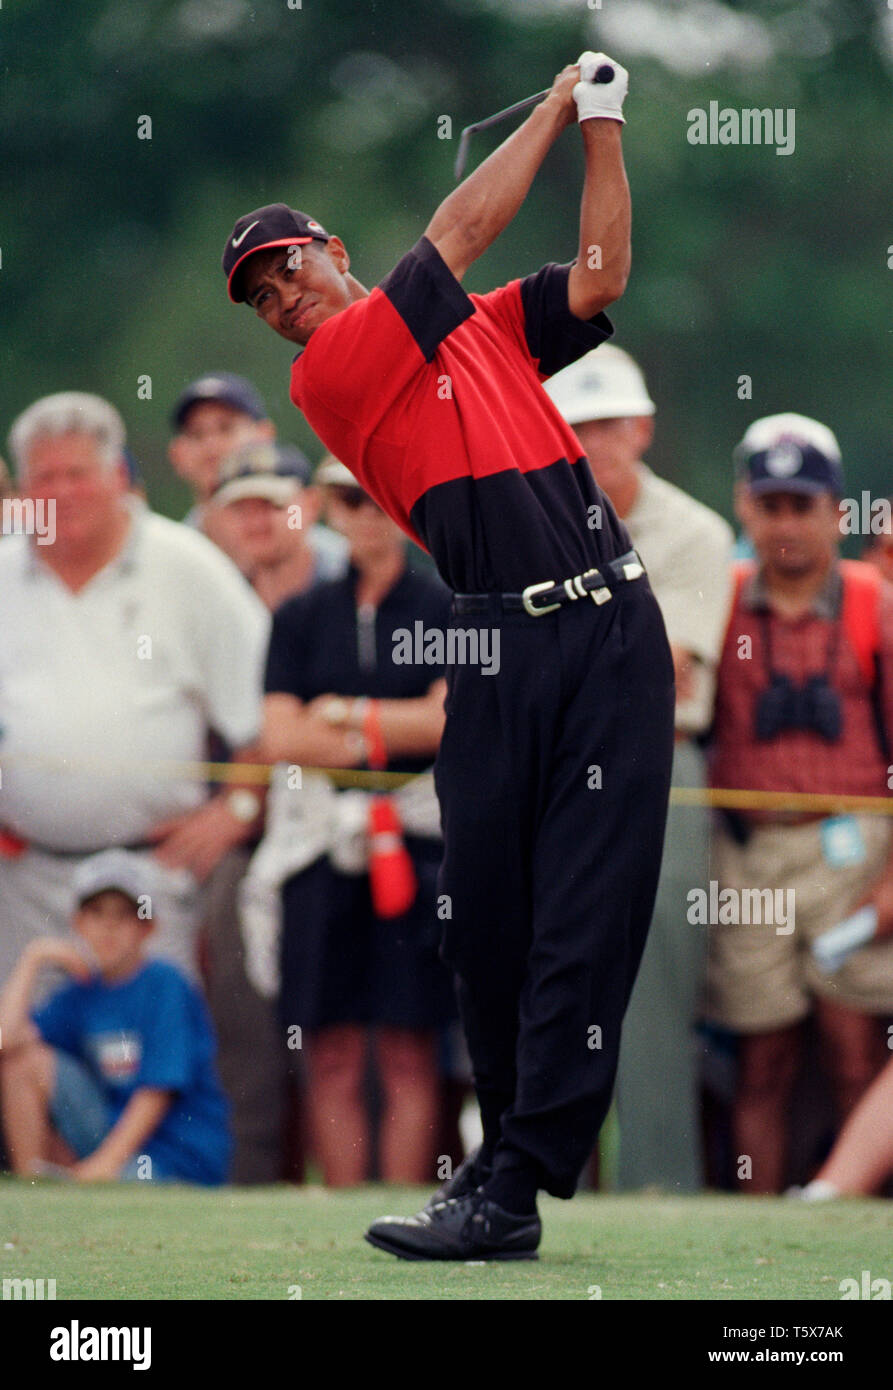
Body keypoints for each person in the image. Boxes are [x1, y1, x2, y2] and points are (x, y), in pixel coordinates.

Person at [223, 51, 675, 1259]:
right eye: (260, 298)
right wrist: (551, 103)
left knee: (581, 917)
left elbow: (601, 275)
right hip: (495, 638)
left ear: (329, 251)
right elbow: (460, 225)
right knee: (480, 920)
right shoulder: (332, 371)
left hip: (610, 629)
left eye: (286, 271)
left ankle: (511, 1184)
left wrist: (602, 129)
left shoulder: (473, 331)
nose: (280, 301)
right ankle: (503, 1162)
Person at [545, 344, 734, 1191]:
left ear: (642, 428)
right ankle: (544, 1191)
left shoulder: (695, 531)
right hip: (554, 766)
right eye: (574, 427)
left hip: (663, 767)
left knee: (655, 994)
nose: (590, 443)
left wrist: (565, 655)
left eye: (605, 425)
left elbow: (671, 674)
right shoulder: (531, 518)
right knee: (554, 983)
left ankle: (661, 1193)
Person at [0, 392, 270, 986]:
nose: (62, 493)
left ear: (119, 475)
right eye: (45, 477)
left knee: (157, 1063)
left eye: (79, 474)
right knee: (32, 1064)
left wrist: (237, 809)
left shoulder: (189, 568)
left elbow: (265, 715)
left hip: (154, 885)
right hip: (24, 888)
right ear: (20, 491)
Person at [253, 456, 455, 1185]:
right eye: (347, 498)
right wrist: (385, 727)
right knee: (330, 1043)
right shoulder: (302, 616)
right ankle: (342, 1210)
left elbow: (444, 721)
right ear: (328, 507)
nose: (364, 513)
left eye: (376, 496)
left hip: (419, 843)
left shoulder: (441, 605)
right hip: (320, 844)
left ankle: (401, 1208)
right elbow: (278, 738)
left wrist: (339, 710)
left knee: (407, 1044)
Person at [704, 413, 893, 1193]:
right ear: (744, 505)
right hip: (746, 855)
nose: (785, 523)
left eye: (802, 505)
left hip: (849, 850)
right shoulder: (717, 599)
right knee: (761, 1056)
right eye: (770, 503)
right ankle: (763, 1229)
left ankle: (857, 1215)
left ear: (836, 513)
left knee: (855, 1046)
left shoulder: (871, 604)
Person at [0, 850, 231, 1184]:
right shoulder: (80, 992)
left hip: (174, 1158)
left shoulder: (166, 983)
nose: (108, 926)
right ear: (78, 923)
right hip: (113, 1143)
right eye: (96, 913)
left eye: (123, 915)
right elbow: (6, 1043)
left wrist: (103, 1166)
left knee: (116, 1178)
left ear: (147, 928)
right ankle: (33, 1185)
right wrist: (33, 958)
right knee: (22, 1063)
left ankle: (80, 1182)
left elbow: (157, 1091)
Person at [168, 371, 347, 576]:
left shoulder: (335, 562)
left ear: (265, 435)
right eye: (196, 434)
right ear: (176, 454)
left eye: (226, 428)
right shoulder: (172, 558)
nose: (211, 446)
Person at [208, 439, 347, 608]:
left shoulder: (352, 577)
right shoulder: (220, 593)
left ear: (311, 504)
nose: (255, 522)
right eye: (240, 509)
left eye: (273, 504)